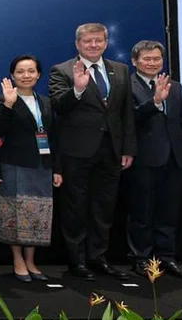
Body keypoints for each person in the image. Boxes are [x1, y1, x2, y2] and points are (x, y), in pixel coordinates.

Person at [49, 23, 135, 281]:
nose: (94, 45)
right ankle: (77, 261)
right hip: (76, 151)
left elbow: (126, 113)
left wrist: (128, 148)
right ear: (77, 44)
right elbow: (58, 106)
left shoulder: (119, 70)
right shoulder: (61, 70)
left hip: (111, 151)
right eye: (88, 41)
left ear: (106, 43)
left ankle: (98, 258)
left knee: (104, 208)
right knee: (75, 208)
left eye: (98, 41)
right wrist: (77, 88)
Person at [126, 40, 182, 280]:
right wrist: (155, 101)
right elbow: (129, 120)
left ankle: (167, 258)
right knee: (142, 212)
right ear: (135, 61)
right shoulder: (126, 85)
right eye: (147, 59)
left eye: (157, 58)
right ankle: (141, 259)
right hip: (144, 158)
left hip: (175, 159)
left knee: (169, 212)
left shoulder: (175, 87)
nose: (152, 63)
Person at [0, 55, 61, 282]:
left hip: (42, 165)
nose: (26, 75)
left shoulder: (47, 102)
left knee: (38, 214)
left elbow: (55, 137)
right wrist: (9, 105)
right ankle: (17, 259)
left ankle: (31, 260)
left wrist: (57, 168)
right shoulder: (4, 99)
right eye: (20, 71)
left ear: (38, 75)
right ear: (13, 75)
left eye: (31, 71)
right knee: (15, 214)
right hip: (14, 164)